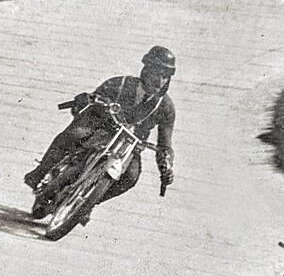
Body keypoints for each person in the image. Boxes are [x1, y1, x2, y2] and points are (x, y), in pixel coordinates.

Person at [24, 46, 177, 214]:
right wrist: (85, 100)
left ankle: (86, 203)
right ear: (146, 70)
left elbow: (165, 144)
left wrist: (166, 166)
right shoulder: (120, 83)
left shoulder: (166, 107)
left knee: (130, 177)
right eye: (156, 72)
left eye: (165, 76)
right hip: (101, 128)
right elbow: (91, 100)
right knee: (74, 135)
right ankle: (40, 172)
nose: (160, 80)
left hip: (127, 147)